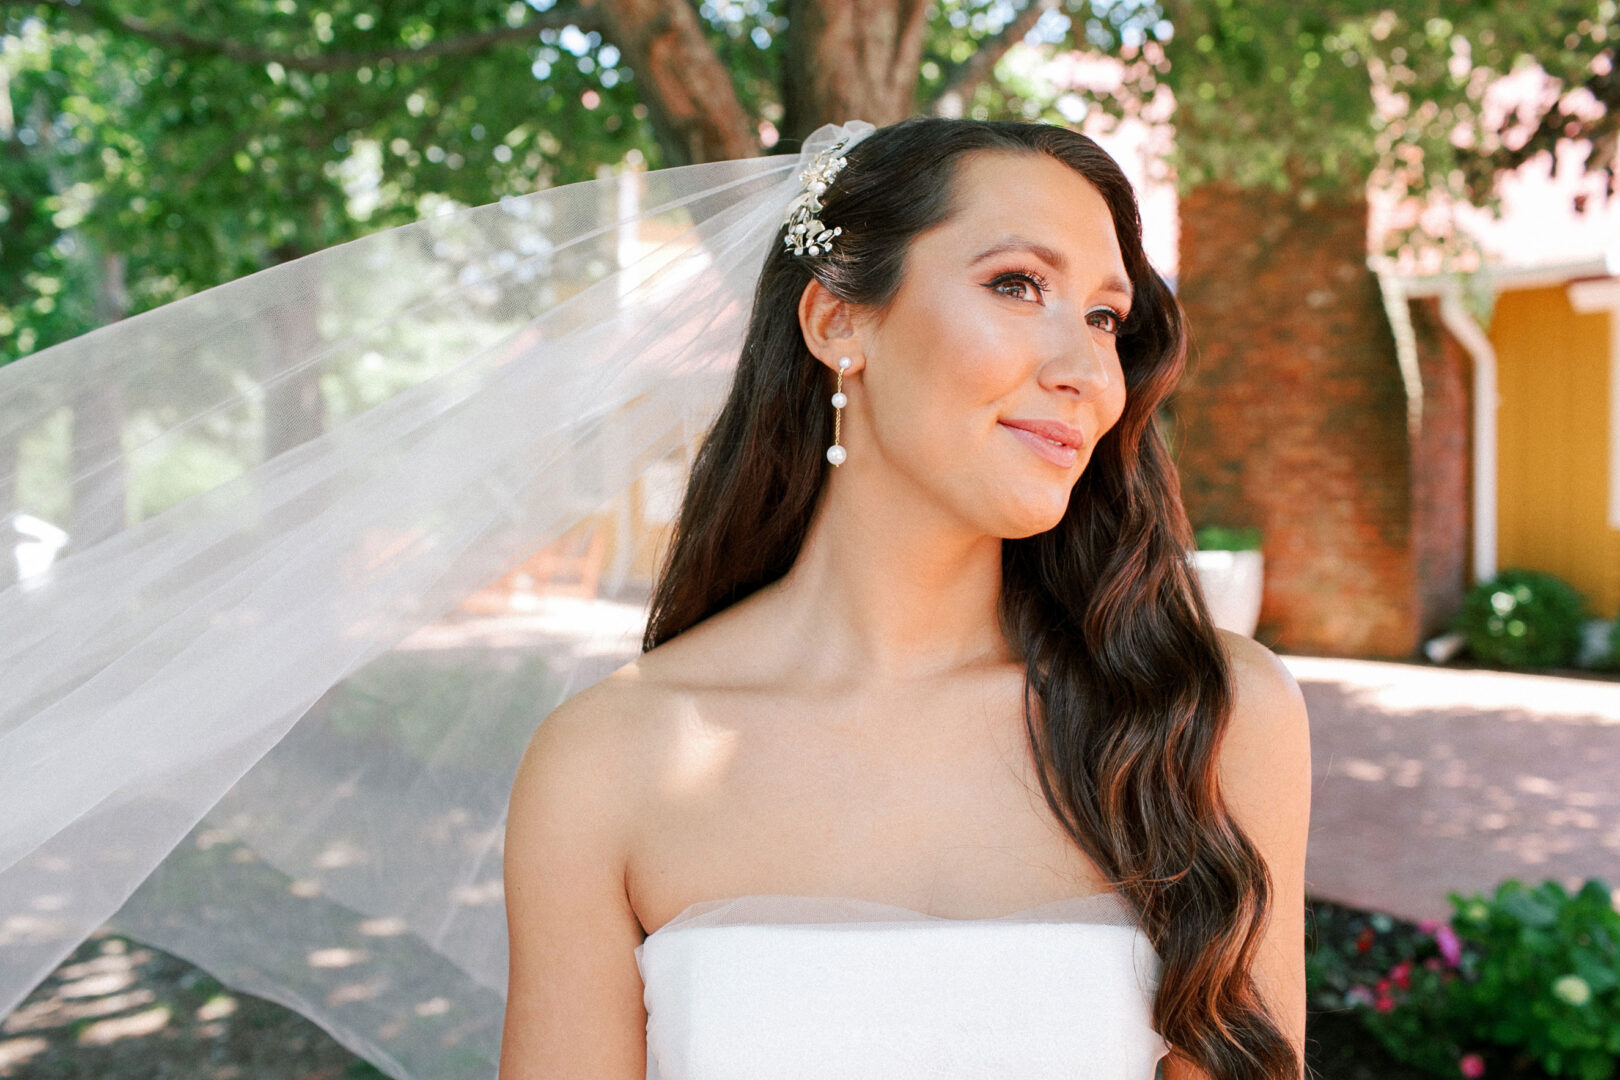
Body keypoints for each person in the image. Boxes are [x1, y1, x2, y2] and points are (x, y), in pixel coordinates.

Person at [499, 115, 1312, 1079]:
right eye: (1018, 285)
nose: (1090, 371)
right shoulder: (602, 765)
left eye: (1105, 316)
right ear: (839, 322)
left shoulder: (1205, 716)